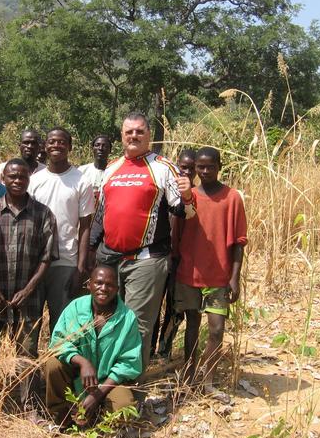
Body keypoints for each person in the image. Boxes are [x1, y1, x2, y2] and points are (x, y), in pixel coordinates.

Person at [89, 112, 194, 370]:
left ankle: (132, 388)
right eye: (128, 132)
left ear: (149, 136)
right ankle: (106, 379)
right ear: (122, 136)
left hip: (145, 260)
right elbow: (101, 215)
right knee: (107, 320)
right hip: (110, 259)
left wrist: (188, 195)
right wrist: (91, 252)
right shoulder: (111, 168)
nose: (134, 136)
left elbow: (183, 211)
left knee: (137, 325)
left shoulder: (163, 167)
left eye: (139, 131)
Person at [0, 158, 59, 403]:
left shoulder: (43, 214)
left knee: (27, 352)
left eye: (22, 176)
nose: (17, 181)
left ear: (29, 178)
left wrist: (28, 289)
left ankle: (28, 405)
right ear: (3, 179)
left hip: (28, 300)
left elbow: (47, 258)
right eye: (12, 177)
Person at [174, 147, 247, 392]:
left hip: (219, 276)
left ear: (219, 167)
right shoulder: (188, 197)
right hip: (189, 273)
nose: (205, 171)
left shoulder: (232, 197)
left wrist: (234, 278)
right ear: (194, 169)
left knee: (216, 329)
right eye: (200, 167)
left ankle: (209, 381)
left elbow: (239, 242)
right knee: (191, 326)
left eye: (210, 167)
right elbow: (179, 235)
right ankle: (188, 376)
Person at [45, 265, 142, 426]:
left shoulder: (127, 318)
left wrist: (97, 395)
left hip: (109, 383)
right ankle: (63, 415)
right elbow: (58, 343)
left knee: (123, 410)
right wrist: (83, 362)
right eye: (98, 283)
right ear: (89, 284)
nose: (103, 288)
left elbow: (129, 363)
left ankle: (98, 417)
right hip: (78, 378)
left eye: (109, 285)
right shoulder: (75, 308)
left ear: (117, 288)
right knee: (52, 364)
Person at [28, 127, 94, 333]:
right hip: (34, 262)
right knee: (30, 324)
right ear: (44, 147)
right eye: (52, 141)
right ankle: (28, 365)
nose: (56, 145)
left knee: (62, 325)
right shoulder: (35, 180)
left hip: (65, 261)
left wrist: (80, 267)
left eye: (62, 142)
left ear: (70, 147)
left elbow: (85, 228)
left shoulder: (81, 180)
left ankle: (55, 365)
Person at [153, 148, 197, 357]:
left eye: (191, 168)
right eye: (183, 167)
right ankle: (148, 352)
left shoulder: (196, 197)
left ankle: (164, 350)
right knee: (152, 308)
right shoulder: (164, 191)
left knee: (174, 309)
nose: (186, 172)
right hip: (159, 257)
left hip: (181, 263)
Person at [78, 135, 112, 206]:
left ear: (110, 150)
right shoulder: (82, 171)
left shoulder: (114, 171)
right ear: (92, 148)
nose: (100, 148)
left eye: (104, 146)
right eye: (97, 145)